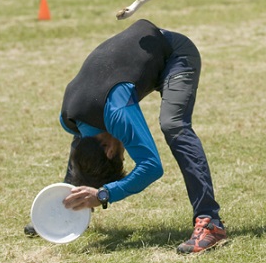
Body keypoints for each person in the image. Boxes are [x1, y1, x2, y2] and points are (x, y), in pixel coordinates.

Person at [25, 19, 227, 254]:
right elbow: (81, 151)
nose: (123, 151)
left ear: (110, 151)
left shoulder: (116, 112)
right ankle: (70, 204)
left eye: (121, 156)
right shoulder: (69, 119)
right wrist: (63, 209)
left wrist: (104, 194)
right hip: (142, 58)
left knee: (173, 125)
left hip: (175, 54)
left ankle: (210, 223)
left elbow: (151, 166)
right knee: (82, 143)